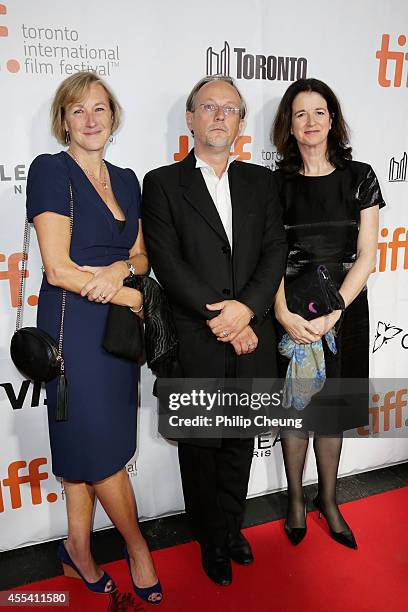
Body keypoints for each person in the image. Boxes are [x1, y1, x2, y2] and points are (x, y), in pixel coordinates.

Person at [142, 75, 287, 585]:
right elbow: (168, 263)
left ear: (242, 122)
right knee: (201, 448)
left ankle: (231, 527)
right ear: (191, 118)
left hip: (252, 335)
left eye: (230, 109)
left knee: (241, 441)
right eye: (209, 107)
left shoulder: (261, 182)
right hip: (197, 339)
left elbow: (274, 252)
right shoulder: (161, 183)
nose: (220, 116)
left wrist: (246, 310)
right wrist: (224, 318)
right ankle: (209, 538)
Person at [26, 71, 162, 604]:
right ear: (63, 120)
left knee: (88, 452)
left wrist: (120, 271)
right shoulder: (50, 171)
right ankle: (137, 549)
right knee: (102, 457)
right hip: (72, 329)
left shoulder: (127, 179)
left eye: (100, 109)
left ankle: (76, 548)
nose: (90, 119)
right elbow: (57, 268)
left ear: (113, 117)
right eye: (77, 110)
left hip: (116, 338)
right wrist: (130, 293)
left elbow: (143, 255)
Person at [272, 78, 385, 549]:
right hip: (291, 312)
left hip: (343, 311)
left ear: (333, 120)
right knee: (297, 412)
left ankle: (330, 499)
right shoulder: (274, 184)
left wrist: (333, 315)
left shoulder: (360, 176)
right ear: (289, 126)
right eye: (301, 114)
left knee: (331, 412)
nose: (311, 122)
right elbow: (266, 256)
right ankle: (297, 499)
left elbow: (367, 255)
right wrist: (281, 313)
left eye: (320, 112)